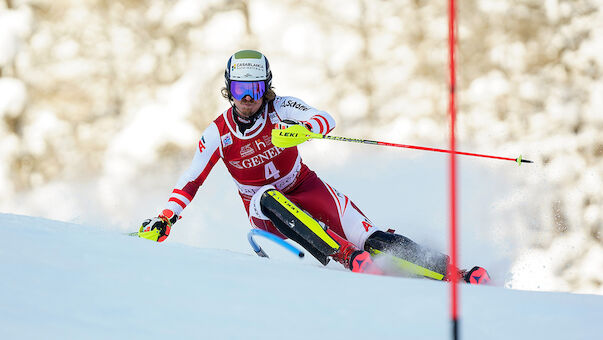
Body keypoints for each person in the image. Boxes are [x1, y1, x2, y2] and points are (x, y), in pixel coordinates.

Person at [139, 50, 490, 283]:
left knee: (371, 237)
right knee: (264, 195)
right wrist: (166, 218)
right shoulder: (217, 133)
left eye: (256, 88)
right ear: (228, 89)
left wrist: (303, 130)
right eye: (240, 88)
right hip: (269, 214)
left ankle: (457, 274)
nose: (248, 98)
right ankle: (346, 256)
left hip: (304, 185)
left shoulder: (281, 107)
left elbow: (325, 118)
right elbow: (191, 180)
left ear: (266, 87)